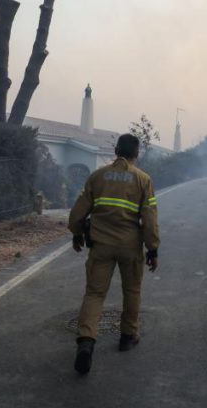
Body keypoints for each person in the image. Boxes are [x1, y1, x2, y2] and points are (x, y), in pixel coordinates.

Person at [68, 134, 160, 375]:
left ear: (116, 150)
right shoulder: (143, 179)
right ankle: (128, 336)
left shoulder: (97, 176)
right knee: (132, 290)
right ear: (136, 154)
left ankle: (86, 341)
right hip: (130, 246)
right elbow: (149, 219)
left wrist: (77, 234)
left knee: (95, 293)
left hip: (101, 245)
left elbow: (78, 212)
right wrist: (153, 249)